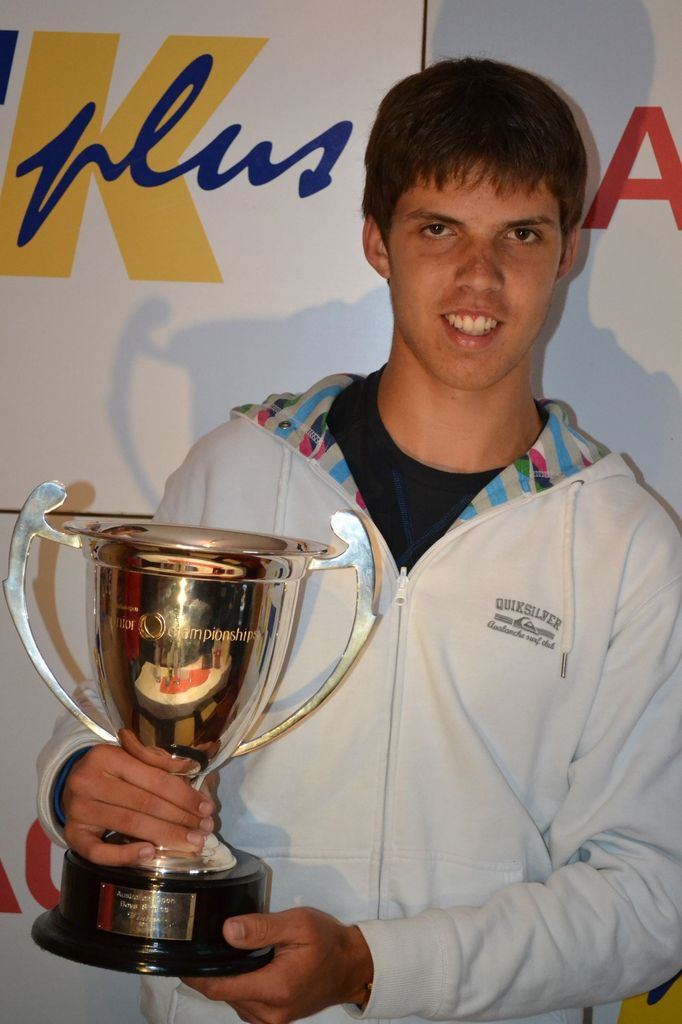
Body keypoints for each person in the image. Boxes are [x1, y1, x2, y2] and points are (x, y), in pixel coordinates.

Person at [37, 58, 681, 1024]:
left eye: (520, 234)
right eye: (438, 229)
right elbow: (110, 729)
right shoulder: (237, 474)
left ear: (568, 250)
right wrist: (77, 781)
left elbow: (651, 897)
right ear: (377, 241)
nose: (480, 277)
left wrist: (374, 967)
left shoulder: (627, 543)